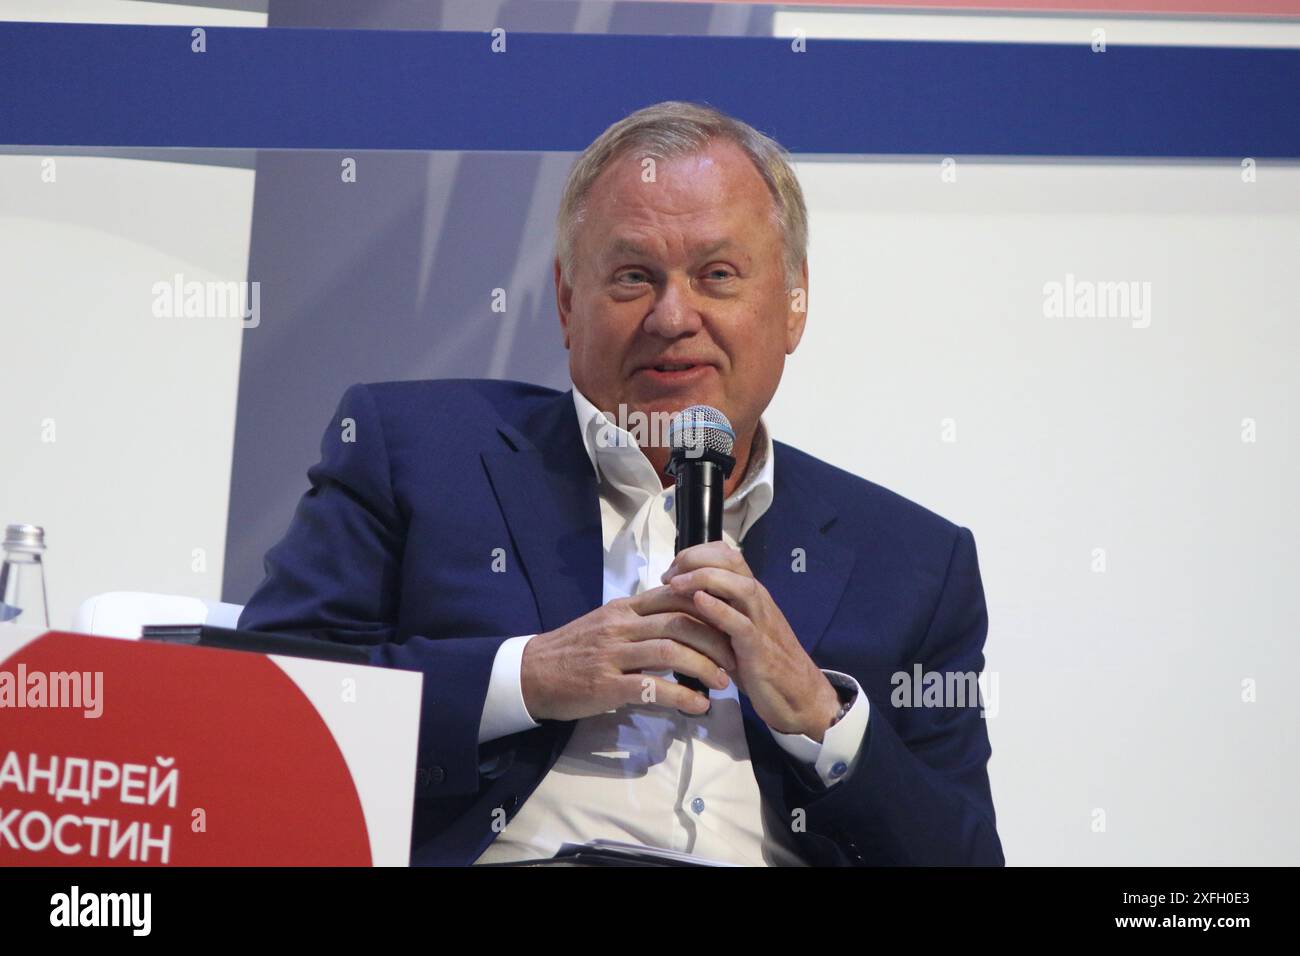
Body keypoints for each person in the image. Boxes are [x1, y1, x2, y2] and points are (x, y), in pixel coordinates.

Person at [239, 100, 1004, 866]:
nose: (674, 317)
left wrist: (821, 714)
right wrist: (528, 677)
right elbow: (260, 704)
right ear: (568, 301)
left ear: (793, 304)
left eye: (718, 275)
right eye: (634, 277)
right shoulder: (416, 450)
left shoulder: (914, 562)